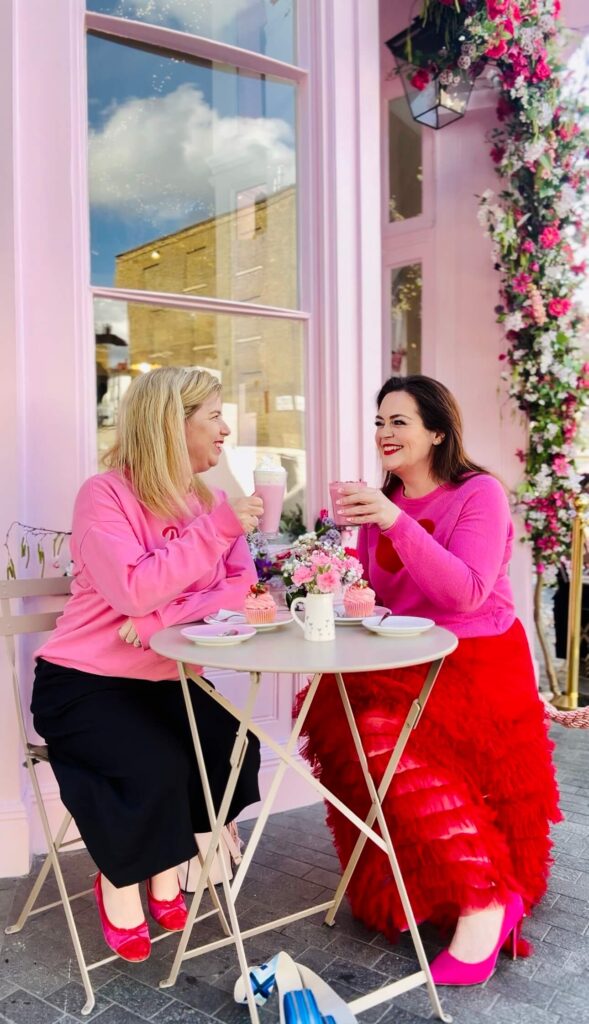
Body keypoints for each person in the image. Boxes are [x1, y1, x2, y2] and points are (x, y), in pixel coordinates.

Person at [297, 374, 561, 986]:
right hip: (400, 659)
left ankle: (485, 897)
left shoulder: (480, 494)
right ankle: (430, 886)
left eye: (399, 422)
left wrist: (393, 521)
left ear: (437, 431)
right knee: (342, 720)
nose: (383, 433)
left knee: (386, 734)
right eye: (379, 422)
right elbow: (371, 597)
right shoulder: (378, 503)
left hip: (473, 659)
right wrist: (327, 575)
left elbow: (465, 594)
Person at [31, 367, 264, 963]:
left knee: (231, 744)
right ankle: (122, 878)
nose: (226, 429)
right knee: (156, 762)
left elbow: (244, 588)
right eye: (213, 415)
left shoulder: (211, 500)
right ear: (171, 422)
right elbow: (133, 591)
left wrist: (162, 622)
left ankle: (167, 862)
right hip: (84, 684)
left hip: (168, 678)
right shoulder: (105, 494)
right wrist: (217, 531)